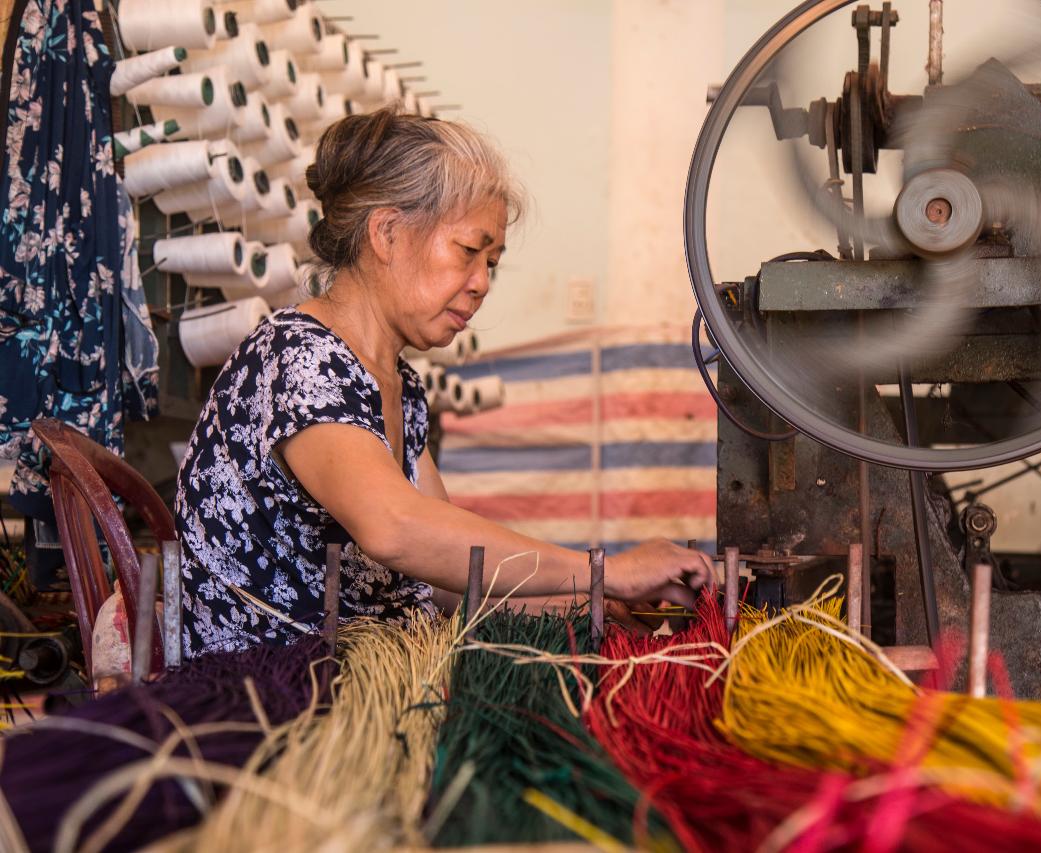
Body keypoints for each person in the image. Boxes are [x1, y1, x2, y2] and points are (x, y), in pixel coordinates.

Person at [174, 106, 710, 656]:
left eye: (492, 263)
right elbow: (395, 529)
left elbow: (446, 576)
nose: (481, 284)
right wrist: (607, 572)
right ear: (387, 233)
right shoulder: (299, 359)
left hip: (366, 668)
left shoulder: (397, 387)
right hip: (276, 691)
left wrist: (598, 601)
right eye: (468, 252)